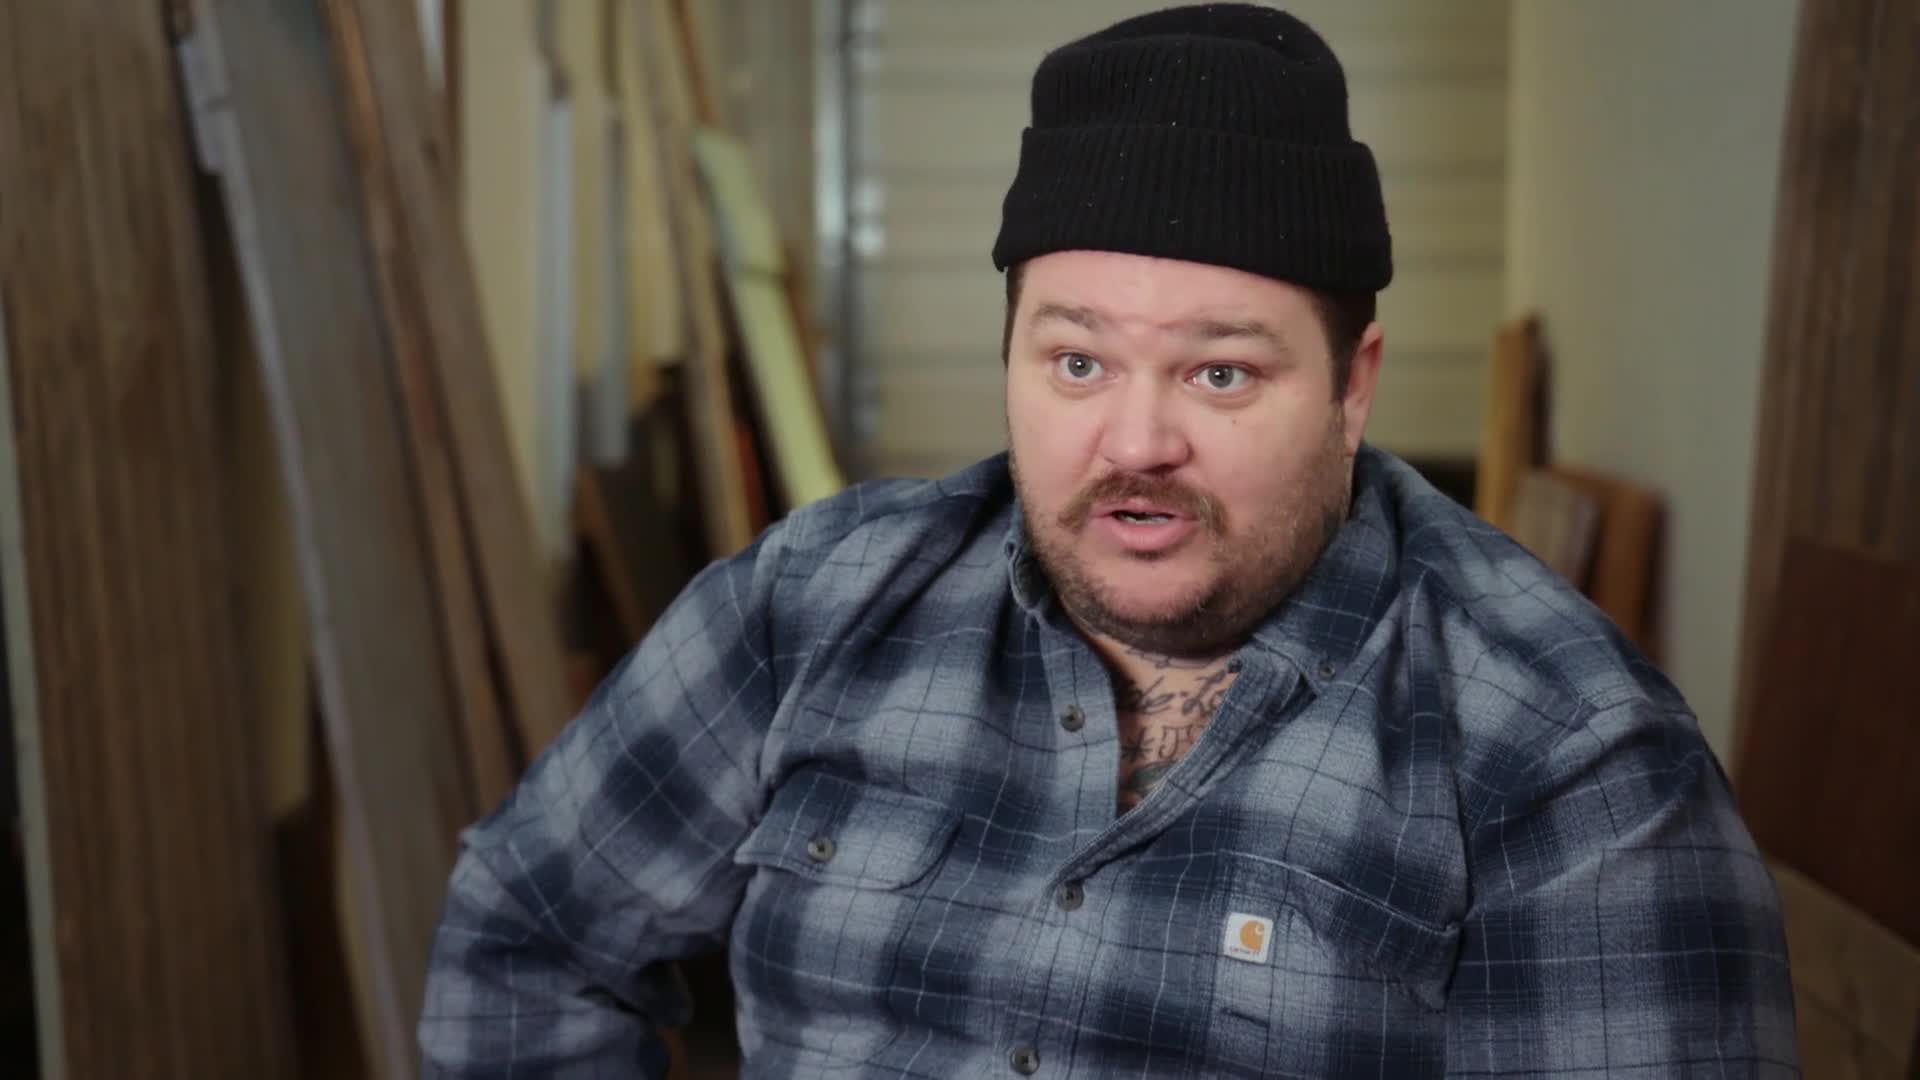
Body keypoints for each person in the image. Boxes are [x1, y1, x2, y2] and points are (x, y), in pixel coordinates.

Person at [418, 5, 1800, 1076]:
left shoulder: (1568, 765)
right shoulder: (812, 608)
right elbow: (529, 930)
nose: (1135, 443)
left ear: (1352, 388)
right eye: (1077, 362)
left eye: (1220, 373)